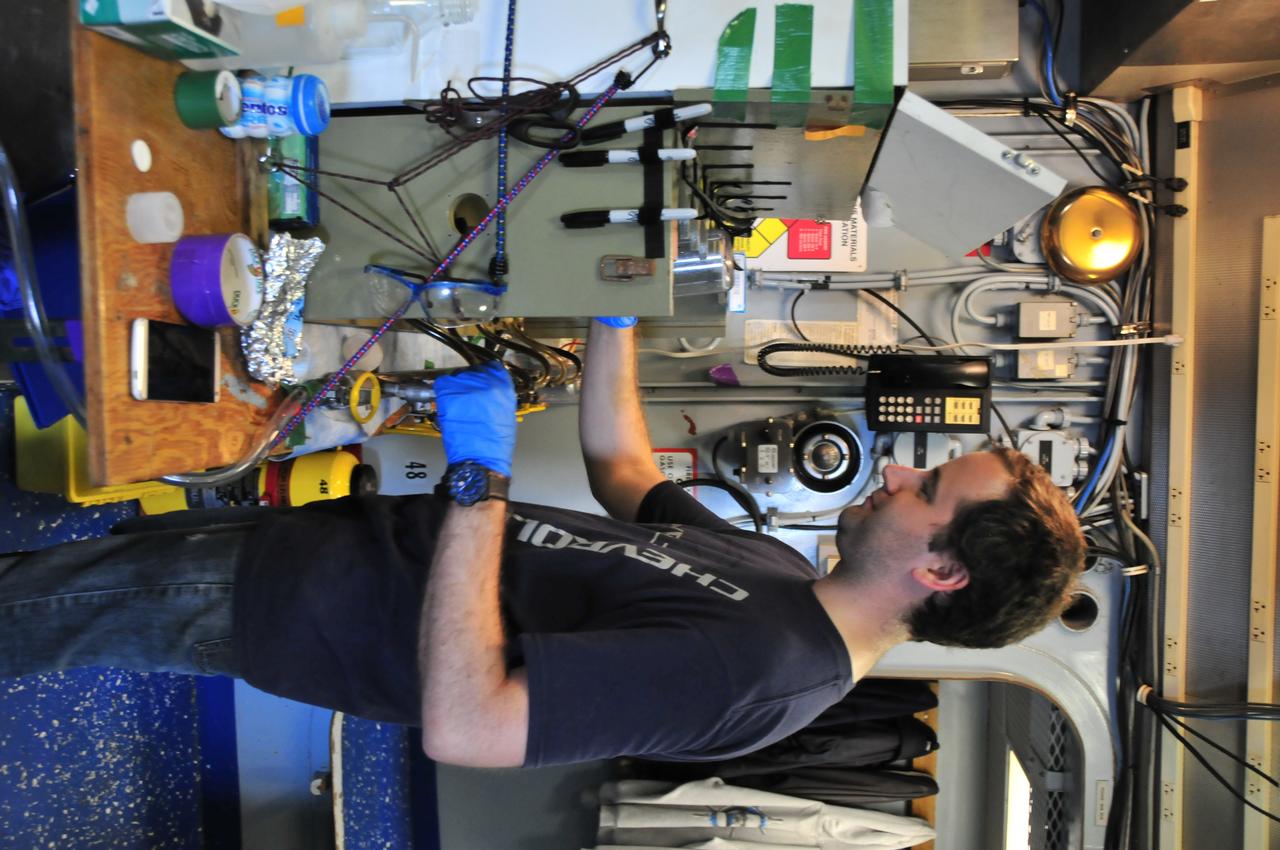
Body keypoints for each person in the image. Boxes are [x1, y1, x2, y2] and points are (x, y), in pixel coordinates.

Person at [0, 319, 1085, 769]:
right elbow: (628, 473)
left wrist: (478, 482)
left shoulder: (755, 674)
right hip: (332, 550)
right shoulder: (784, 585)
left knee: (32, 612)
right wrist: (619, 300)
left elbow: (471, 726)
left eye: (926, 488)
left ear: (937, 569)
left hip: (303, 609)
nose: (895, 471)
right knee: (46, 589)